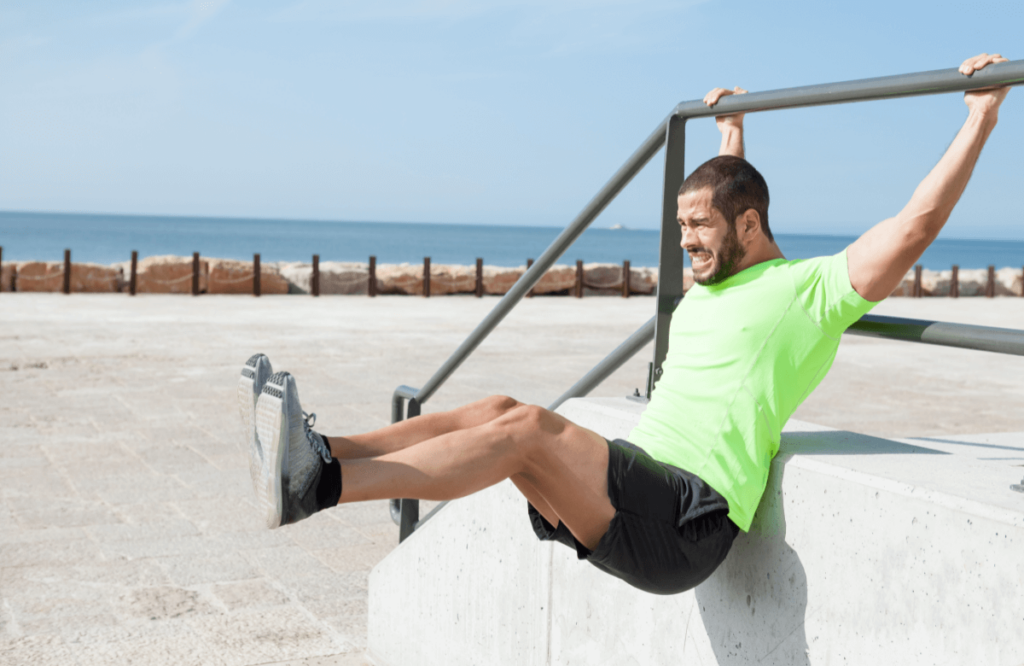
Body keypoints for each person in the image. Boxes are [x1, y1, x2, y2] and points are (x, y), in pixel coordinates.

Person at [237, 53, 1011, 595]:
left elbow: (913, 225)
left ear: (749, 224)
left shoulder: (808, 291)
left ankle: (322, 487)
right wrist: (728, 132)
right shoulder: (712, 279)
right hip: (640, 481)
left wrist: (981, 114)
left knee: (530, 429)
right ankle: (319, 448)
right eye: (680, 228)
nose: (686, 244)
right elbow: (728, 193)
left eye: (700, 227)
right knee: (503, 409)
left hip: (685, 517)